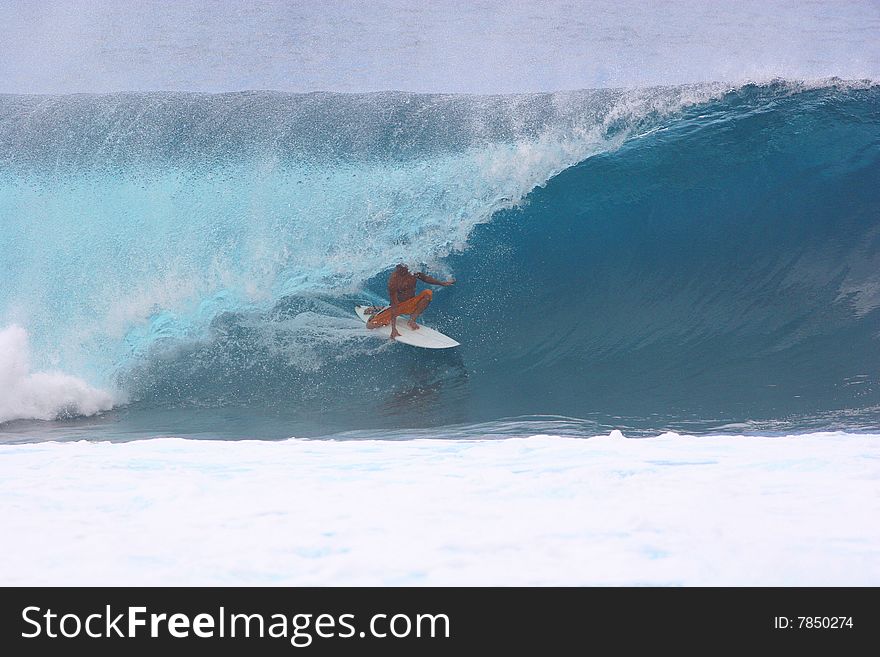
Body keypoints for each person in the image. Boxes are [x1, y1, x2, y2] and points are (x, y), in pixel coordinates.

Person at [365, 264, 455, 340]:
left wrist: (442, 283)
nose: (403, 269)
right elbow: (394, 305)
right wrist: (394, 329)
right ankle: (377, 311)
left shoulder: (412, 271)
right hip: (398, 306)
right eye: (400, 268)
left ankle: (412, 320)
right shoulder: (393, 281)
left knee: (428, 293)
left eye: (404, 267)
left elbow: (425, 278)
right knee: (370, 325)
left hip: (411, 303)